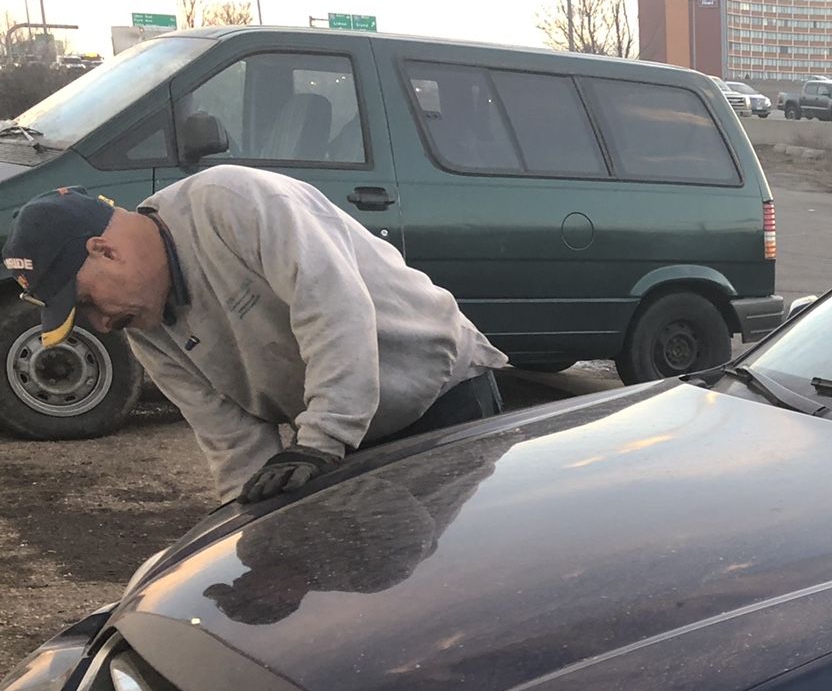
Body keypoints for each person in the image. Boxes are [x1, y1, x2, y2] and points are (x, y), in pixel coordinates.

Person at [2, 167, 507, 503]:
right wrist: (244, 532)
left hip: (442, 400)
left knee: (463, 594)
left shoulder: (233, 204)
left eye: (86, 302)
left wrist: (323, 439)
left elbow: (336, 312)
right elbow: (230, 437)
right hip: (346, 439)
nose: (100, 324)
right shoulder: (147, 325)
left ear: (104, 250)